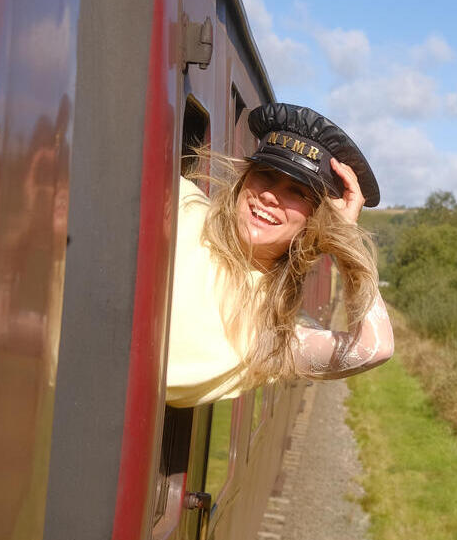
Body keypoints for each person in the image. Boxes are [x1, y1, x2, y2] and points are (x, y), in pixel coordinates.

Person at [166, 103, 394, 407]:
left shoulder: (276, 334)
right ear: (245, 179)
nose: (271, 196)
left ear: (315, 221)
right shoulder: (180, 203)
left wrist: (346, 236)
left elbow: (372, 348)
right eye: (265, 175)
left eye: (298, 193)